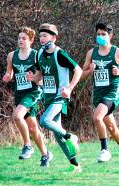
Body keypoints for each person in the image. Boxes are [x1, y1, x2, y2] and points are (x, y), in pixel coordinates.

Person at [27, 23, 83, 173]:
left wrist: (70, 88)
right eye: (40, 36)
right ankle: (75, 165)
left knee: (45, 120)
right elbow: (40, 76)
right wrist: (33, 78)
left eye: (45, 36)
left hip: (60, 97)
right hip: (48, 98)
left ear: (54, 37)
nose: (42, 39)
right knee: (58, 137)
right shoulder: (39, 54)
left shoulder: (60, 53)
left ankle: (71, 136)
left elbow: (78, 70)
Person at [81, 22, 119, 165]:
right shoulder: (91, 53)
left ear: (110, 36)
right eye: (98, 34)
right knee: (111, 127)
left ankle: (105, 150)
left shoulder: (118, 52)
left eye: (103, 34)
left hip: (112, 92)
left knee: (97, 117)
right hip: (98, 93)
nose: (100, 36)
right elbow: (80, 74)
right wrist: (89, 71)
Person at [3, 26, 52, 167]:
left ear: (31, 40)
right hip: (19, 93)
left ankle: (27, 145)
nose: (20, 40)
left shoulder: (37, 55)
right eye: (19, 38)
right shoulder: (12, 55)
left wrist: (34, 78)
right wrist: (7, 77)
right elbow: (10, 73)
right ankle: (45, 155)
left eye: (24, 38)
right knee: (32, 128)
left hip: (33, 92)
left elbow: (42, 77)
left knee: (17, 116)